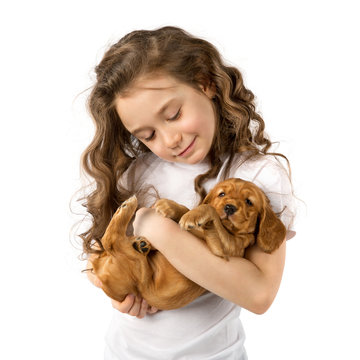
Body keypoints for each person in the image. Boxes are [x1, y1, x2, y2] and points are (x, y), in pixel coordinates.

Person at [80, 26, 296, 360]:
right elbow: (99, 256)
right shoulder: (139, 172)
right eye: (148, 134)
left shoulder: (255, 177)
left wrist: (158, 230)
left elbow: (259, 294)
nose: (169, 141)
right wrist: (118, 293)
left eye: (174, 115)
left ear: (205, 81)